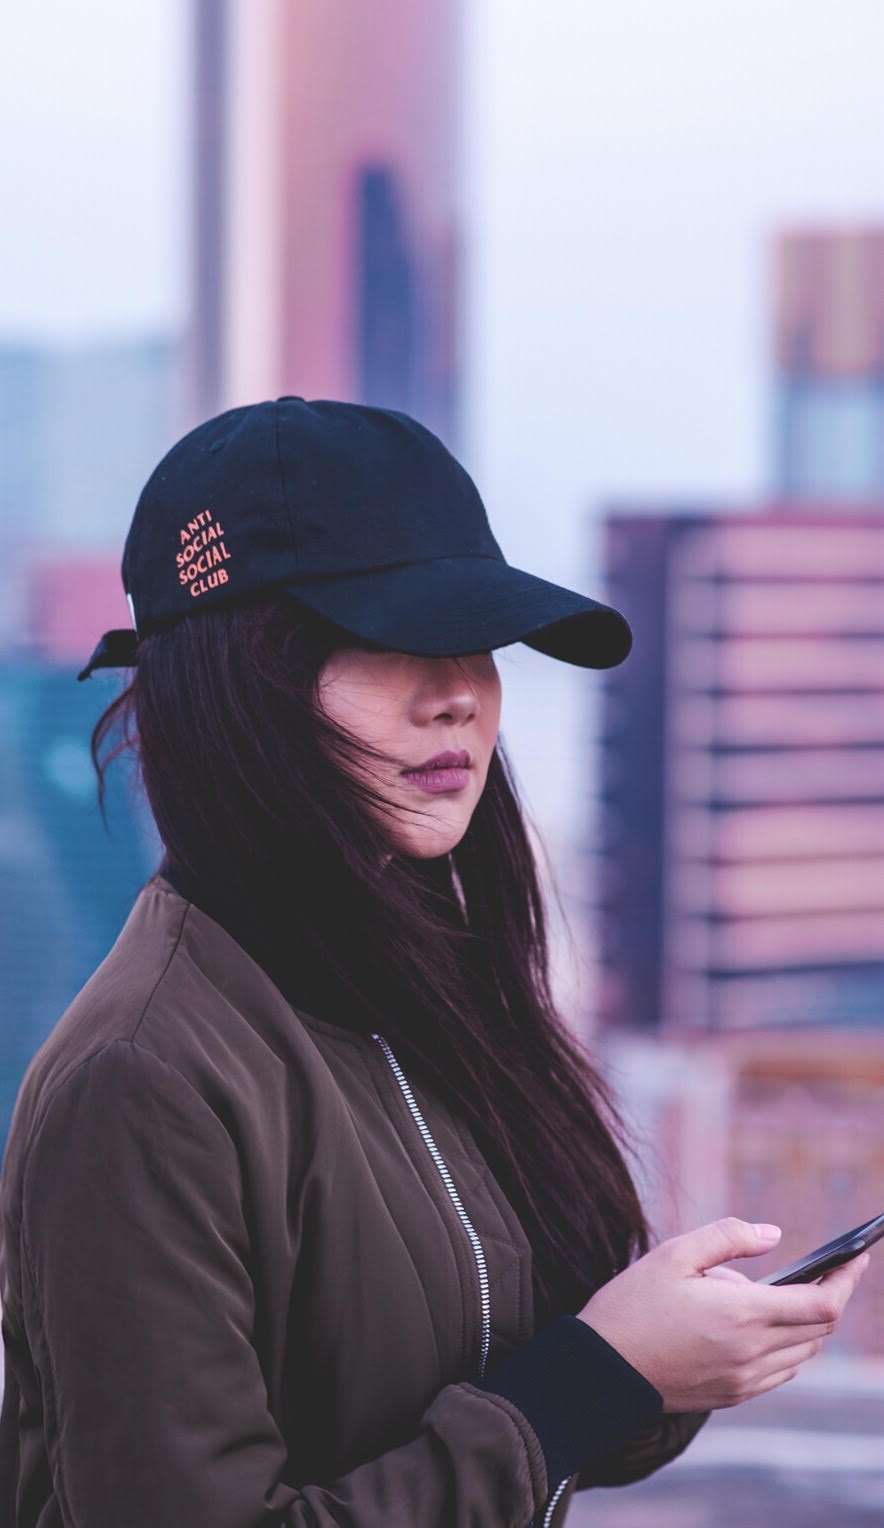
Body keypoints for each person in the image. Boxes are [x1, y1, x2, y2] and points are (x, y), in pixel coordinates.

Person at [0, 398, 868, 1527]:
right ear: (235, 683)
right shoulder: (143, 1083)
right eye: (384, 639)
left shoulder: (425, 999)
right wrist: (594, 1381)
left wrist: (669, 1355)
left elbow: (523, 1392)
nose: (456, 691)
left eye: (473, 641)